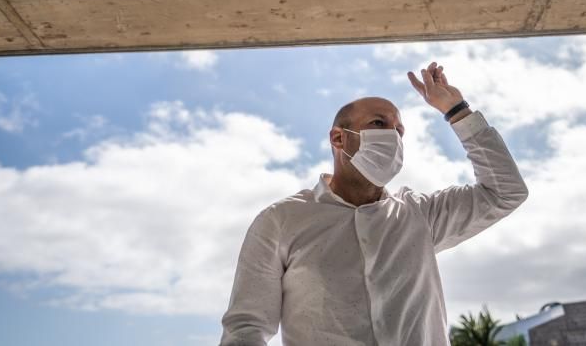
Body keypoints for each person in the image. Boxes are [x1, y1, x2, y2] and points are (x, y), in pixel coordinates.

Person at [219, 60, 529, 345]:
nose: (393, 136)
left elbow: (504, 192)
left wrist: (457, 110)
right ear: (339, 138)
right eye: (380, 123)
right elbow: (246, 328)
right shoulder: (281, 220)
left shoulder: (419, 213)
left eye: (399, 130)